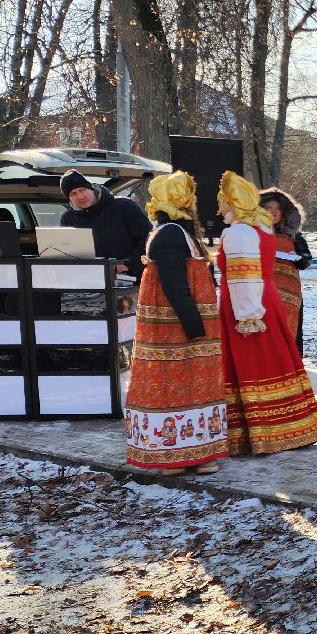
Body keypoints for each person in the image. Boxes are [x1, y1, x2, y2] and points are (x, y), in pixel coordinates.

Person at [124, 172, 227, 475]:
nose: (193, 203)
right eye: (188, 197)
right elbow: (174, 284)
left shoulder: (176, 231)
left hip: (182, 328)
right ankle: (173, 457)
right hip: (176, 330)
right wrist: (194, 326)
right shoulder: (170, 233)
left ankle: (196, 454)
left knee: (191, 386)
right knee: (173, 386)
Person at [215, 171, 317, 455]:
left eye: (224, 202)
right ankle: (290, 426)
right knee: (277, 358)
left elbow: (244, 278)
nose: (220, 208)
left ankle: (267, 432)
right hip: (265, 299)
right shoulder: (257, 229)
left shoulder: (239, 232)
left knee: (257, 363)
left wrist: (247, 316)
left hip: (249, 304)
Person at [59, 169, 152, 279]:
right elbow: (67, 253)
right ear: (69, 199)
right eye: (73, 193)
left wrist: (128, 264)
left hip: (131, 281)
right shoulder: (68, 219)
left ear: (92, 189)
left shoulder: (124, 206)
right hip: (88, 283)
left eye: (82, 190)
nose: (80, 196)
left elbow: (148, 238)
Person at [259, 188, 313, 355]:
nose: (273, 212)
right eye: (269, 209)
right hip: (263, 293)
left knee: (293, 329)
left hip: (291, 295)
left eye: (277, 209)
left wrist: (299, 257)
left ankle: (294, 365)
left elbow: (307, 258)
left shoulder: (294, 234)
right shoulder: (253, 234)